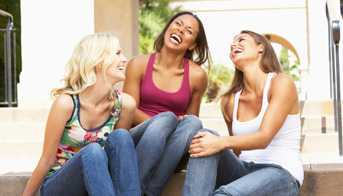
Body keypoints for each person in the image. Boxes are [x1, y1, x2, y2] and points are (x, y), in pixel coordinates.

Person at [185, 30, 303, 196]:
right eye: (232, 43)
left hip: (280, 173)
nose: (234, 44)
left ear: (260, 48)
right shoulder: (229, 101)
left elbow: (264, 137)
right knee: (204, 136)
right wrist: (215, 142)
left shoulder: (281, 82)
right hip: (242, 171)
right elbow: (237, 150)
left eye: (241, 40)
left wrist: (220, 142)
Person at [23, 32, 141, 196]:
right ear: (98, 61)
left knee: (121, 136)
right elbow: (47, 159)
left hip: (97, 185)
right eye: (118, 53)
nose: (125, 59)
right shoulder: (66, 104)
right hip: (59, 186)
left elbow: (117, 158)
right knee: (92, 151)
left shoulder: (125, 105)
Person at [123, 11, 211, 196]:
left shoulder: (197, 76)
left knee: (195, 123)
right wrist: (164, 124)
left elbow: (190, 120)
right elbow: (128, 110)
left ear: (193, 44)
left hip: (173, 147)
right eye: (177, 23)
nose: (180, 30)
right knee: (166, 119)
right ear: (167, 28)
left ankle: (150, 192)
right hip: (140, 139)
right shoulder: (138, 64)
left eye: (188, 31)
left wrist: (168, 128)